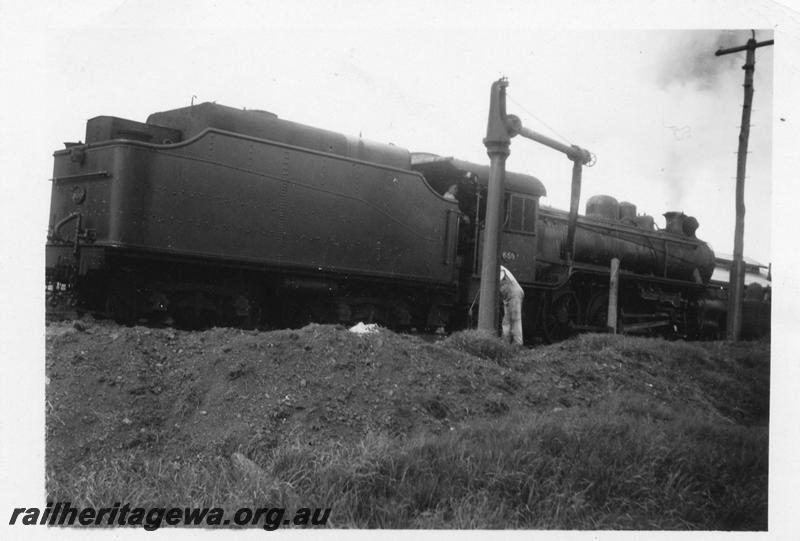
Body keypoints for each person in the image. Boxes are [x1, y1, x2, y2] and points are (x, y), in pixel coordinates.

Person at [499, 265, 524, 345]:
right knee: (508, 321)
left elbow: (498, 282)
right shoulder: (498, 269)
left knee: (513, 321)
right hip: (508, 297)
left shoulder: (499, 269)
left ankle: (517, 344)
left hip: (514, 294)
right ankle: (506, 344)